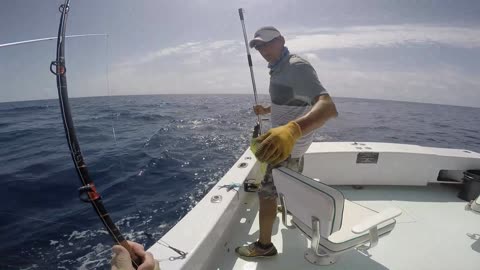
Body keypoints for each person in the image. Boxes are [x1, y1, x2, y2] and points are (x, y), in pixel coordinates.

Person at [235, 26, 338, 257]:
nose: (263, 50)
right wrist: (267, 110)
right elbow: (295, 100)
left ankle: (264, 246)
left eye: (267, 43)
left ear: (281, 40)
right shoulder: (278, 68)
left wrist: (292, 130)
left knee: (266, 194)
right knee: (287, 183)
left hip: (285, 147)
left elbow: (327, 106)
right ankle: (287, 205)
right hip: (290, 146)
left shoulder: (296, 66)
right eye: (258, 46)